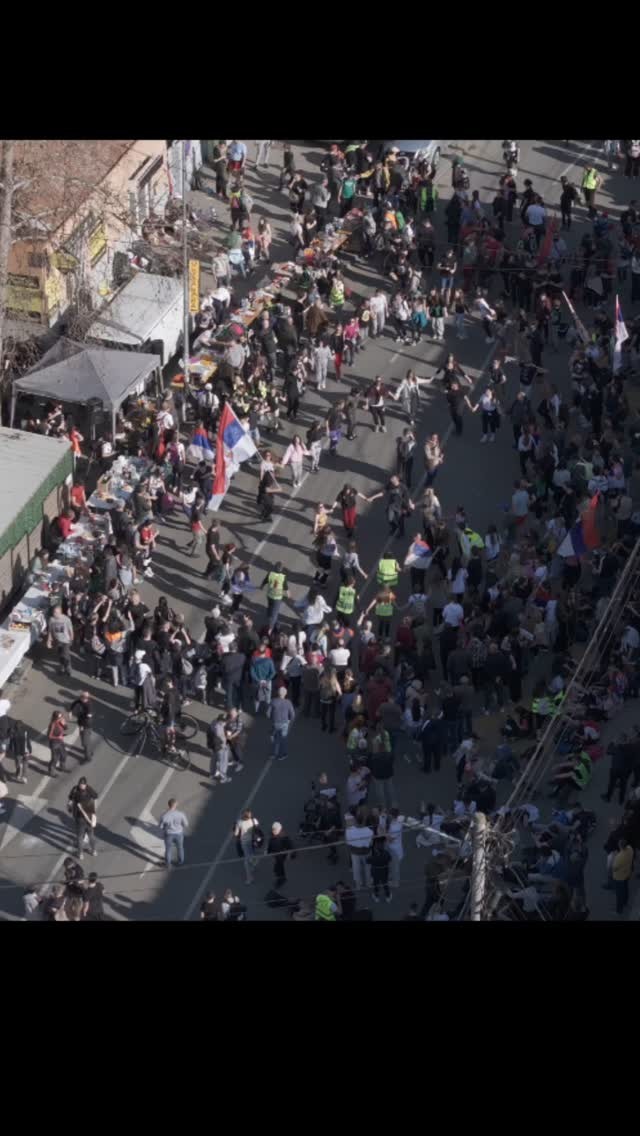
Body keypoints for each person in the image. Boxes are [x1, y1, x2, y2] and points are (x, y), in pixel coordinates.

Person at [68, 776, 98, 859]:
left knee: (80, 836)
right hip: (89, 815)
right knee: (91, 834)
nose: (82, 786)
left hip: (79, 817)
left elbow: (70, 800)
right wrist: (94, 810)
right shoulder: (89, 789)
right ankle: (94, 851)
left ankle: (80, 854)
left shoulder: (75, 790)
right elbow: (95, 797)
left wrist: (69, 807)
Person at [234, 809, 262, 884]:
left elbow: (236, 834)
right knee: (252, 854)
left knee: (246, 862)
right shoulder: (254, 821)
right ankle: (253, 865)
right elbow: (257, 830)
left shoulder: (239, 822)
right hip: (253, 842)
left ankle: (250, 878)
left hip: (244, 843)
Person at [160, 798, 188, 868]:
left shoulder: (165, 815)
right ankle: (181, 862)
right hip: (179, 833)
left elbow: (160, 826)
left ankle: (168, 864)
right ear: (176, 805)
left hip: (169, 834)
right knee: (180, 848)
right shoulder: (181, 814)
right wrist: (180, 826)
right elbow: (186, 824)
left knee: (168, 849)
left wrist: (165, 828)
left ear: (169, 805)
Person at [269, 686, 295, 760]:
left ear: (278, 693)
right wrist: (289, 720)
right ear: (285, 694)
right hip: (285, 723)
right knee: (283, 738)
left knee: (275, 739)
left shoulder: (273, 701)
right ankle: (283, 754)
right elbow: (292, 715)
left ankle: (274, 754)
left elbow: (268, 713)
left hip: (276, 723)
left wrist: (272, 718)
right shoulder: (288, 702)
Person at [69, 691, 95, 764]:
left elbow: (87, 718)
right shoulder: (80, 701)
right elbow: (74, 703)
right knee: (86, 740)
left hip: (86, 725)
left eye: (82, 697)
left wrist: (82, 726)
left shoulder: (89, 706)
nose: (80, 698)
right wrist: (70, 711)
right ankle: (90, 751)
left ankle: (88, 757)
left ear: (86, 698)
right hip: (82, 723)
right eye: (81, 696)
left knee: (85, 742)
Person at [47, 604, 74, 676]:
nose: (55, 614)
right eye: (54, 612)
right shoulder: (51, 619)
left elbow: (71, 630)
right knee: (60, 655)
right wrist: (49, 640)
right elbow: (50, 631)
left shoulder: (66, 619)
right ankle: (62, 668)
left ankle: (68, 669)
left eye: (57, 613)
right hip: (58, 641)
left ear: (61, 612)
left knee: (65, 655)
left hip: (66, 641)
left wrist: (71, 640)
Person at [266, 822, 295, 888]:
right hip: (276, 855)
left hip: (281, 856)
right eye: (273, 829)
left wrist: (290, 855)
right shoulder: (272, 835)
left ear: (279, 829)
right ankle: (280, 877)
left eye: (275, 829)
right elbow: (270, 844)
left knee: (279, 868)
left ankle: (281, 880)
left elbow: (291, 847)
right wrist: (268, 851)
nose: (273, 831)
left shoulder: (284, 837)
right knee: (278, 868)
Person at [367, 836, 392, 903]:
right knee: (385, 884)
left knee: (376, 885)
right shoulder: (386, 853)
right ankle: (388, 896)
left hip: (375, 872)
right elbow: (390, 859)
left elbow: (367, 861)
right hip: (384, 871)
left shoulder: (373, 856)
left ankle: (376, 896)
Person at [47, 710, 68, 776]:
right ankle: (51, 772)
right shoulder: (53, 724)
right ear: (55, 718)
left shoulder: (61, 722)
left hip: (60, 741)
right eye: (59, 717)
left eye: (61, 716)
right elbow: (49, 736)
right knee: (55, 758)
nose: (61, 718)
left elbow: (66, 728)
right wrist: (58, 737)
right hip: (54, 743)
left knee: (64, 755)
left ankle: (62, 767)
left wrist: (64, 724)